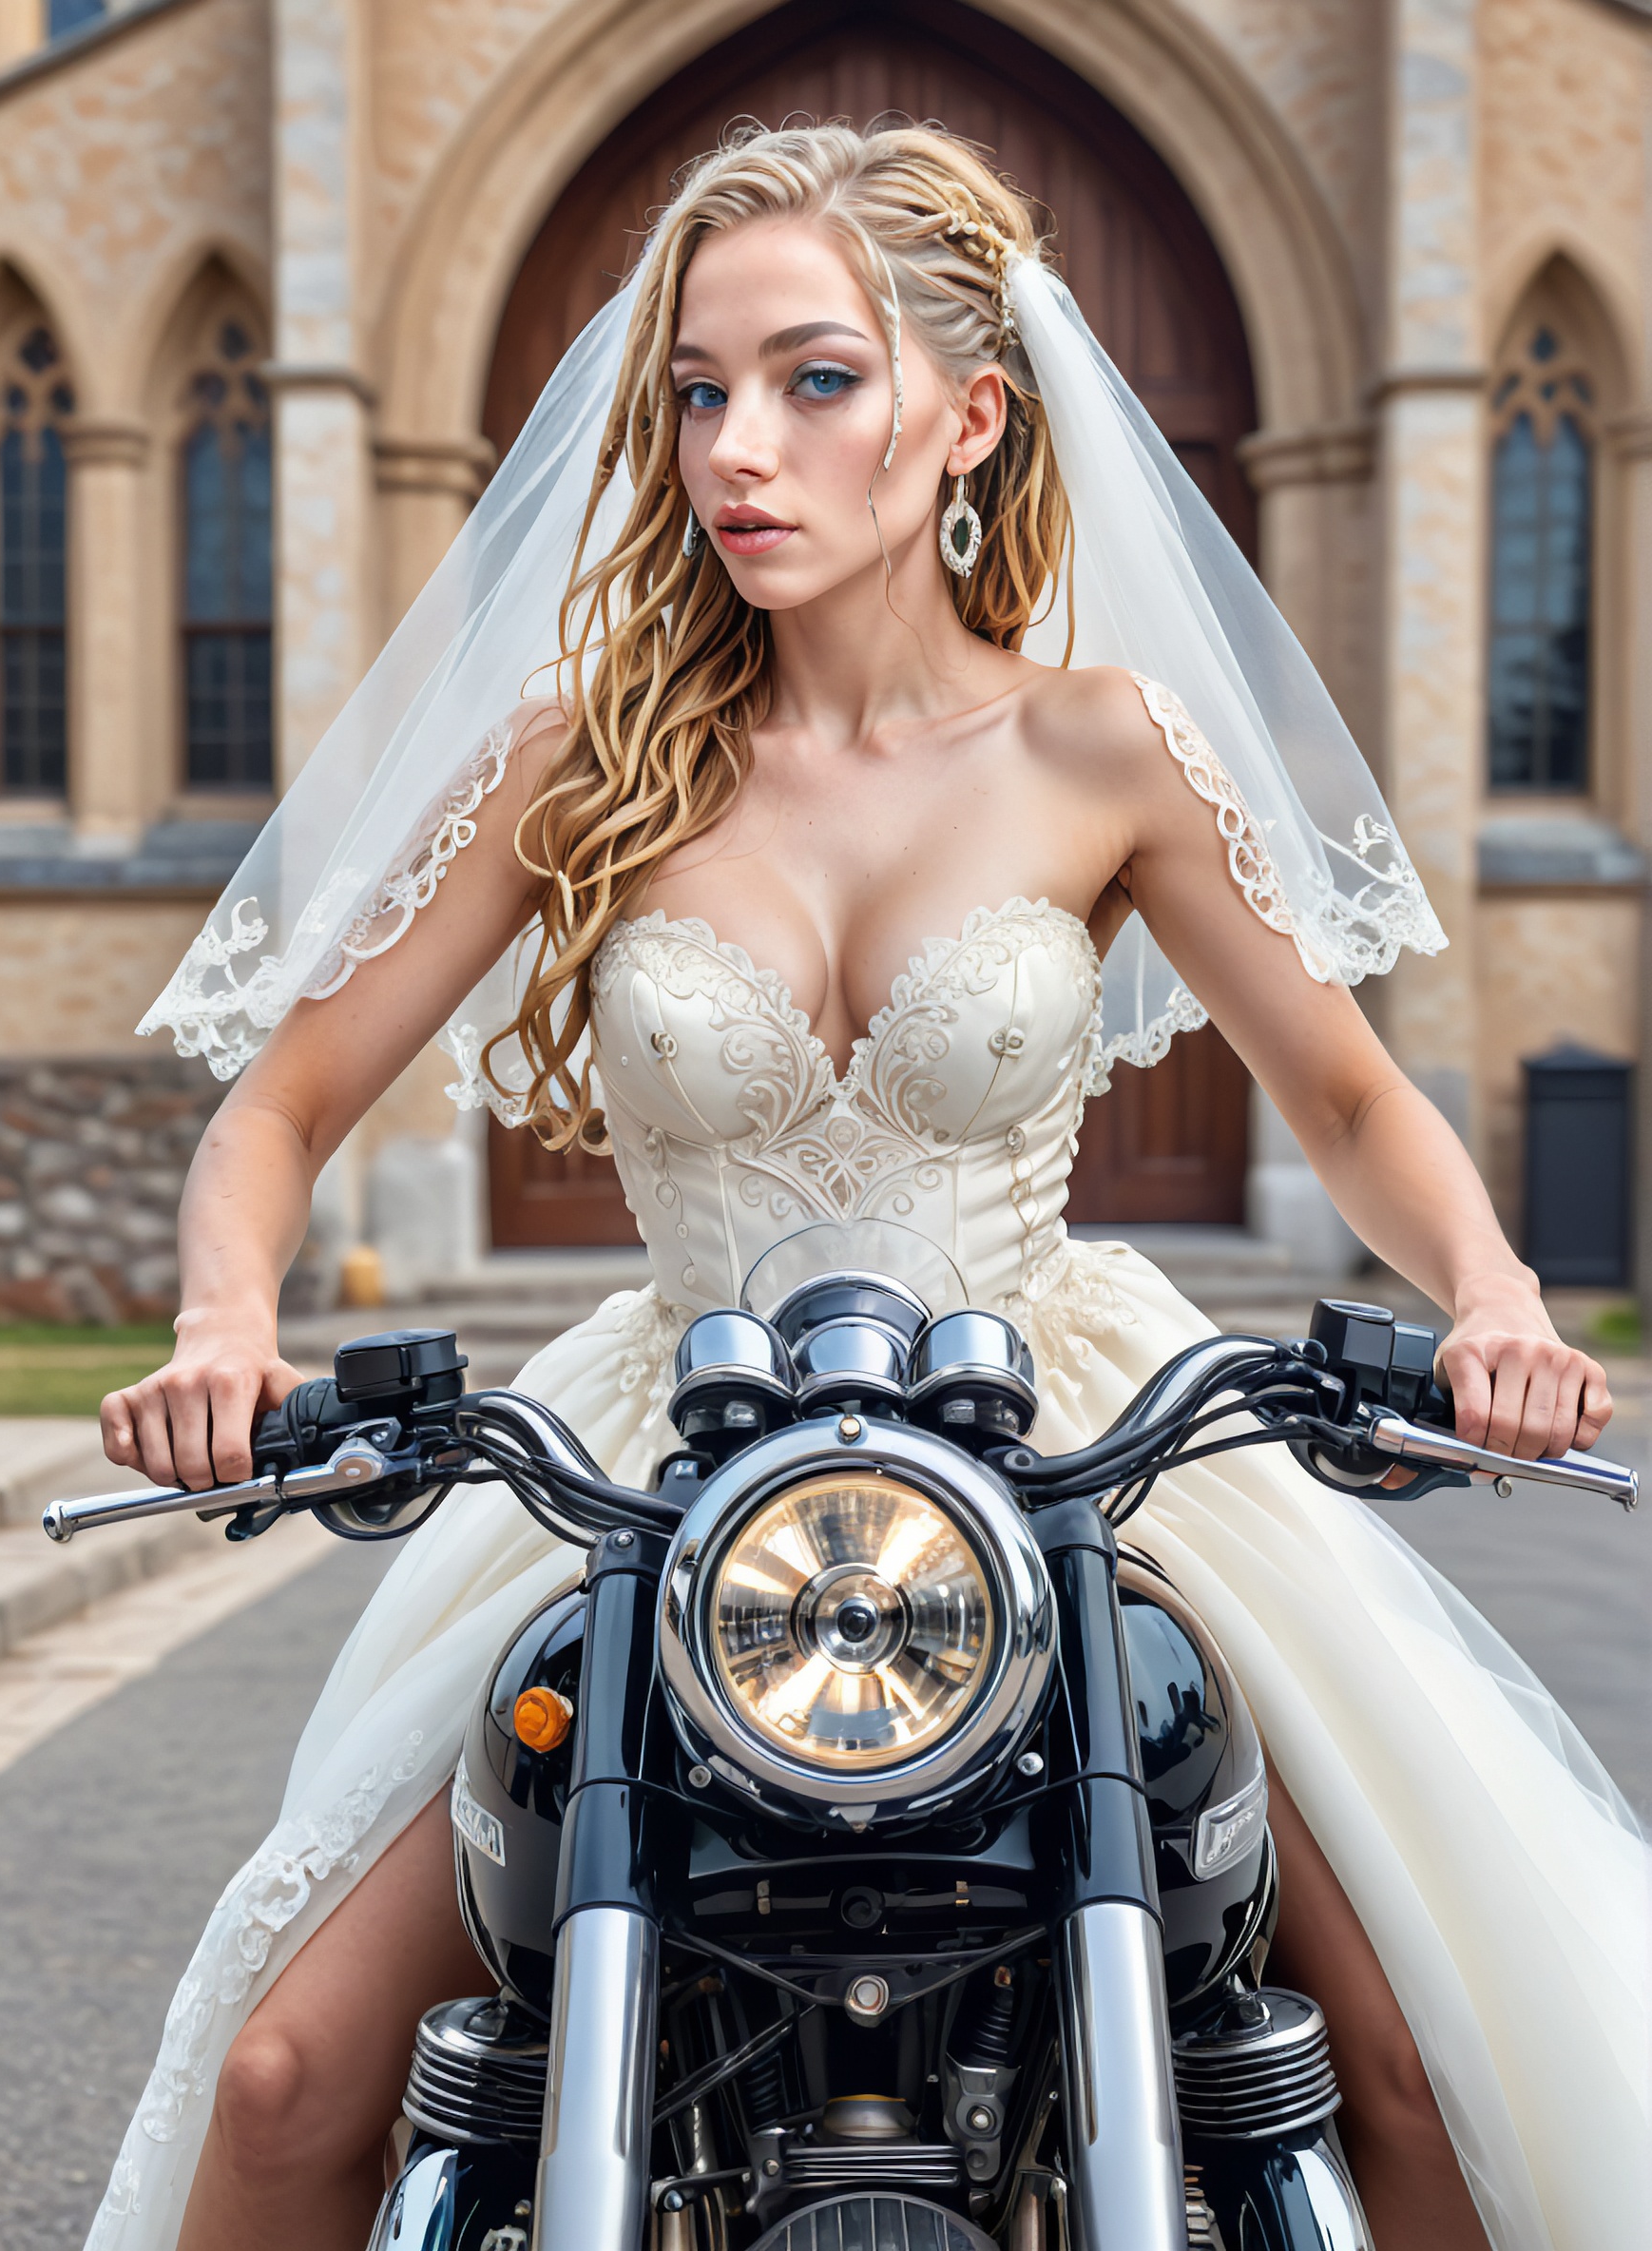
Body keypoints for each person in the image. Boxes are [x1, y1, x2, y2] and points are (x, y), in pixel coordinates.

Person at [86, 125, 1642, 2251]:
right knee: (284, 2085)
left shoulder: (1100, 747)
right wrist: (220, 1324)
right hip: (675, 1445)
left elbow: (1356, 1098)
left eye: (816, 379)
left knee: (1398, 2072)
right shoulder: (584, 755)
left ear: (969, 416)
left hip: (1075, 1435)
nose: (743, 446)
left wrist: (1491, 1290)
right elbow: (282, 1105)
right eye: (701, 391)